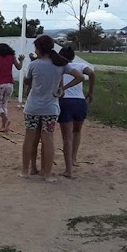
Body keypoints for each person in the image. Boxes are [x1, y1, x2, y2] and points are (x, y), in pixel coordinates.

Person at [21, 35, 83, 182]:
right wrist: (63, 88)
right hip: (51, 108)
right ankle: (47, 173)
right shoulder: (61, 64)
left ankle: (25, 171)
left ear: (40, 49)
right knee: (48, 139)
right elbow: (80, 77)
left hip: (33, 107)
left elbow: (28, 81)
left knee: (29, 139)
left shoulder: (34, 64)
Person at [57, 46, 95, 178]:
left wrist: (63, 88)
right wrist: (90, 92)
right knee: (77, 131)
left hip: (65, 102)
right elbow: (91, 74)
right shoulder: (80, 66)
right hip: (80, 102)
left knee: (66, 137)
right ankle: (73, 159)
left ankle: (68, 169)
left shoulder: (60, 67)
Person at [0, 43, 24, 133]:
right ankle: (4, 126)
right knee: (4, 104)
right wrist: (21, 60)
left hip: (0, 83)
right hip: (9, 83)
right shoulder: (12, 56)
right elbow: (19, 67)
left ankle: (6, 120)